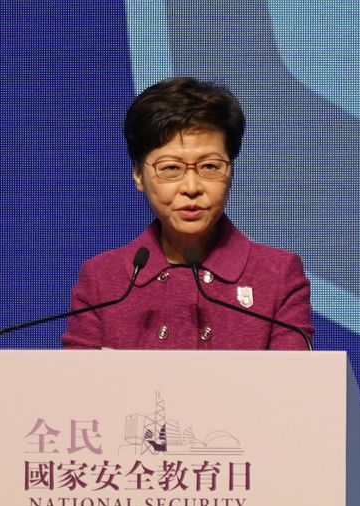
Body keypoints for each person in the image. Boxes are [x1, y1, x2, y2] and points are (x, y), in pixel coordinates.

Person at [61, 77, 313, 349]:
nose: (192, 188)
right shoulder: (103, 281)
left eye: (209, 167)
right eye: (170, 168)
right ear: (138, 174)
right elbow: (78, 387)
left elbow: (295, 387)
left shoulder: (276, 276)